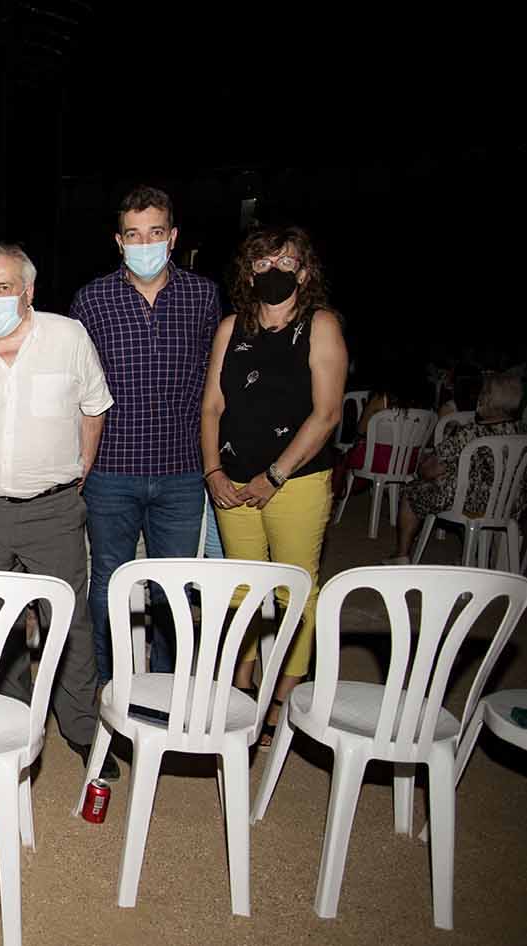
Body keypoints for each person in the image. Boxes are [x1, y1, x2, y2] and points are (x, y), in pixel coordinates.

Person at [0, 244, 117, 779]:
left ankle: (81, 729)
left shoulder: (68, 338)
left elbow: (94, 408)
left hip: (53, 508)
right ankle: (9, 720)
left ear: (28, 291)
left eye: (4, 287)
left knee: (69, 621)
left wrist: (80, 470)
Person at [201, 225, 347, 746]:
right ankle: (241, 685)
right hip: (232, 481)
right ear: (248, 272)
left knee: (295, 590)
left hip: (295, 482)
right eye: (262, 263)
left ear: (303, 273)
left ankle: (283, 695)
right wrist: (213, 472)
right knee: (242, 590)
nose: (273, 272)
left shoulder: (321, 325)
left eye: (285, 262)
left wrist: (275, 475)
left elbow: (327, 414)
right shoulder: (231, 328)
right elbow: (212, 406)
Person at [71, 186, 221, 685]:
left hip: (182, 471)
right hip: (111, 469)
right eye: (133, 235)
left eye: (155, 233)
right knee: (108, 584)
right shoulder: (92, 300)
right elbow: (77, 386)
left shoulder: (203, 296)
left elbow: (213, 381)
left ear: (172, 237)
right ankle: (107, 686)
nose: (144, 243)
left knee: (172, 591)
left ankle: (164, 692)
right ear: (119, 241)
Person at [385, 372, 526, 564]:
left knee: (412, 490)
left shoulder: (469, 433)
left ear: (487, 398)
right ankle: (475, 555)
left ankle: (401, 554)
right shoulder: (522, 431)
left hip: (470, 503)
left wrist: (424, 467)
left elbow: (430, 470)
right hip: (510, 504)